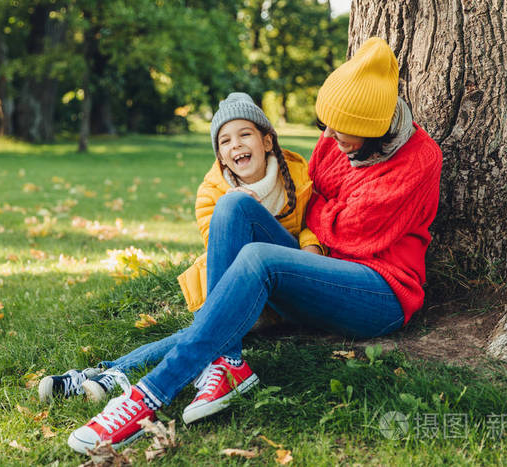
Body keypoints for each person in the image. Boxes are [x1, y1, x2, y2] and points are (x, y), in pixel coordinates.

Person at [57, 36, 442, 454]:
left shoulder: (419, 159)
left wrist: (324, 212)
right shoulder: (338, 140)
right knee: (233, 206)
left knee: (259, 261)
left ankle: (147, 394)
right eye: (324, 125)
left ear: (373, 127)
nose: (328, 135)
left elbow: (352, 232)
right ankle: (222, 363)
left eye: (341, 128)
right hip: (315, 272)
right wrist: (327, 211)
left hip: (379, 291)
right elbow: (319, 200)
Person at [38, 93, 322, 408]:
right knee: (202, 331)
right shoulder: (211, 194)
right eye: (225, 141)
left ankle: (107, 375)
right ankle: (104, 374)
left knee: (204, 332)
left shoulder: (298, 175)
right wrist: (242, 208)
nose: (236, 145)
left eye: (245, 134)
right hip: (241, 286)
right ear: (221, 156)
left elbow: (315, 220)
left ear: (267, 141)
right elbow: (222, 250)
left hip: (287, 280)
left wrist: (310, 248)